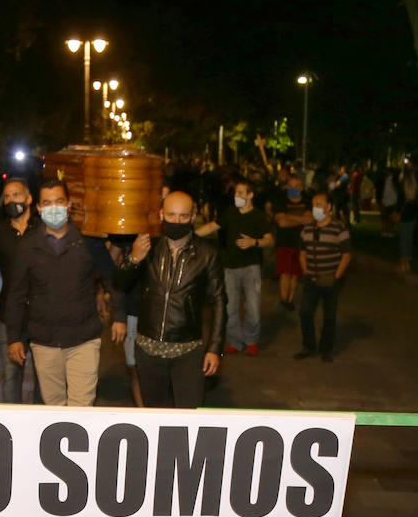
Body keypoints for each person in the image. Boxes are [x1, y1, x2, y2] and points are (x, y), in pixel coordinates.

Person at [3, 178, 119, 407]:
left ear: (68, 205)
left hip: (83, 339)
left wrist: (120, 317)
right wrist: (14, 337)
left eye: (59, 201)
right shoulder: (27, 247)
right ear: (38, 208)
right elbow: (16, 294)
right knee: (54, 410)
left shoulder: (88, 243)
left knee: (81, 407)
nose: (53, 208)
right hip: (45, 342)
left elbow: (111, 279)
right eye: (47, 203)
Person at [116, 191, 225, 408]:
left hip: (187, 349)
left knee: (188, 415)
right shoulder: (148, 247)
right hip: (148, 348)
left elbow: (219, 301)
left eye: (183, 216)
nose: (177, 221)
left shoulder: (207, 254)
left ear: (193, 217)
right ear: (161, 215)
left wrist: (215, 348)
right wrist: (134, 259)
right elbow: (120, 283)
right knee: (156, 416)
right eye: (171, 215)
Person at [0, 178, 40, 403]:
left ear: (29, 198)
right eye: (7, 197)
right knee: (12, 375)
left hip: (41, 315)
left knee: (43, 379)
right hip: (9, 315)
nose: (11, 200)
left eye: (16, 195)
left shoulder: (43, 229)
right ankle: (12, 429)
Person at [198, 178, 272, 355]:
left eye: (240, 193)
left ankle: (251, 340)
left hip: (251, 268)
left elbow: (269, 240)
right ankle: (234, 341)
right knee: (229, 307)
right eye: (236, 193)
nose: (236, 196)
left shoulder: (258, 217)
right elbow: (211, 227)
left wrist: (254, 242)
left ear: (250, 195)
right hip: (229, 268)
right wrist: (187, 234)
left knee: (253, 307)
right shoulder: (229, 214)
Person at [292, 192, 352, 363]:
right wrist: (305, 270)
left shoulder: (339, 228)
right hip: (311, 279)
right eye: (313, 205)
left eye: (319, 204)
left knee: (329, 316)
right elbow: (302, 252)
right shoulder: (308, 229)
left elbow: (346, 255)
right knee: (305, 312)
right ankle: (309, 346)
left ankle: (326, 349)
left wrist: (337, 276)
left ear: (329, 207)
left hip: (330, 279)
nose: (315, 208)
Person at [271, 173, 311, 311]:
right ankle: (284, 299)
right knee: (285, 272)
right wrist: (300, 219)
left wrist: (289, 217)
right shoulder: (280, 200)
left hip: (301, 243)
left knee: (295, 273)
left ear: (302, 187)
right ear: (287, 187)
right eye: (291, 186)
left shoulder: (307, 200)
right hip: (284, 241)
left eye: (298, 186)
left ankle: (291, 298)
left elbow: (310, 220)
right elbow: (281, 222)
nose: (294, 189)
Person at [397, 169, 418, 274]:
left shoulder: (402, 188)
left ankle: (403, 260)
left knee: (403, 238)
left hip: (404, 216)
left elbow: (399, 202)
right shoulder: (414, 189)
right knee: (409, 238)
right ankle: (408, 260)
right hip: (412, 216)